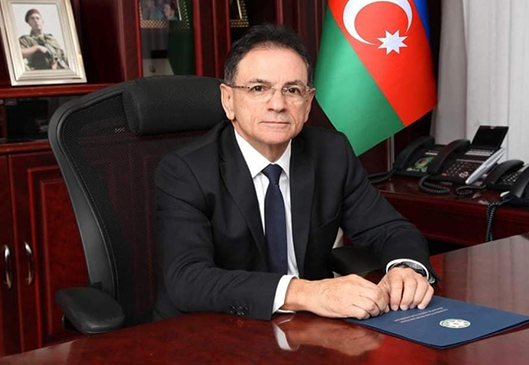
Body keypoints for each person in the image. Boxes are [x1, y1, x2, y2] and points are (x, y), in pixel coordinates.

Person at [154, 24, 435, 322]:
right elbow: (188, 278)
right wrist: (308, 293)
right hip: (214, 329)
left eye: (292, 90)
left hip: (304, 329)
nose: (278, 105)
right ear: (228, 100)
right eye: (258, 89)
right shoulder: (185, 170)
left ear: (308, 103)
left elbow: (390, 228)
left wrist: (406, 269)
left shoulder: (331, 153)